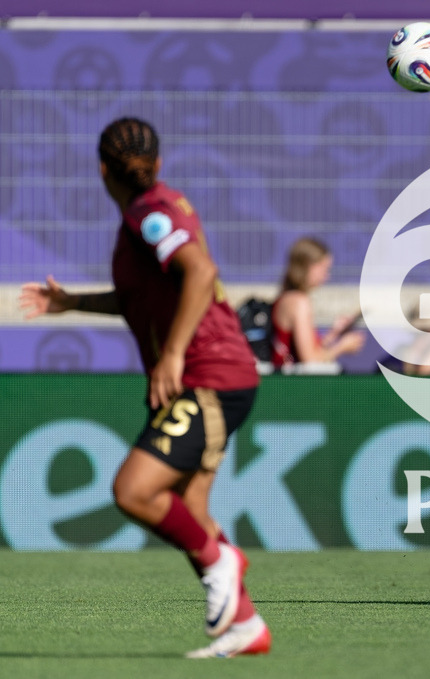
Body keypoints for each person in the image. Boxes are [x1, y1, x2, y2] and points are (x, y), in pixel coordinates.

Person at [18, 118, 271, 657]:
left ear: (102, 169)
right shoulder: (159, 210)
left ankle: (222, 563)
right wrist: (73, 303)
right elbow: (142, 296)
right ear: (159, 161)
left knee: (133, 490)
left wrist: (174, 353)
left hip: (210, 375)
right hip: (220, 375)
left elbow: (200, 272)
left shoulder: (149, 212)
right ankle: (245, 627)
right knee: (190, 509)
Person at [270, 237, 366, 371]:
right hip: (292, 387)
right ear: (308, 266)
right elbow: (311, 361)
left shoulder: (287, 298)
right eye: (324, 269)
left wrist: (333, 334)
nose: (327, 276)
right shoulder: (299, 302)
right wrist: (342, 346)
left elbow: (306, 350)